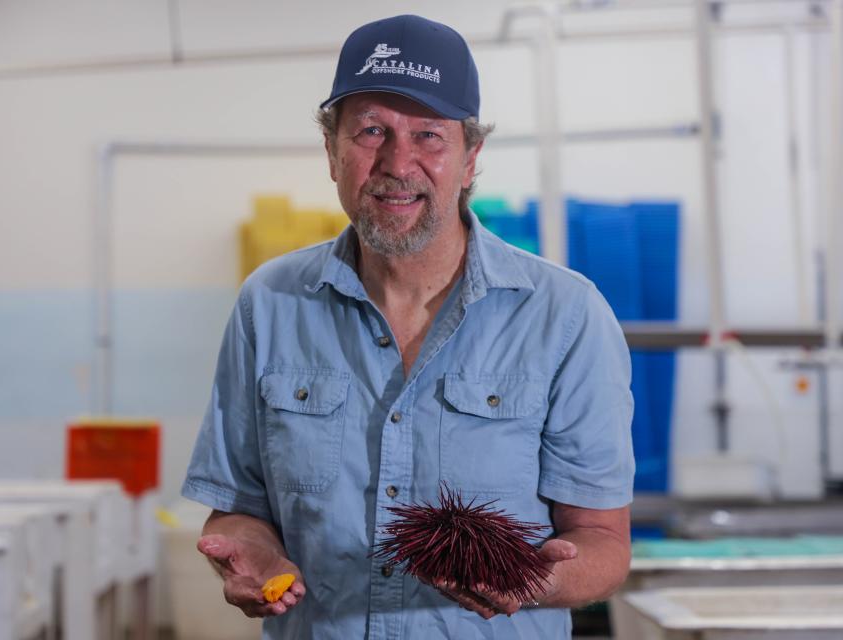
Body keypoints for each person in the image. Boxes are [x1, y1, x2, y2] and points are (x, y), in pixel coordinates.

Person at [182, 14, 634, 639]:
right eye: (371, 130)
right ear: (332, 152)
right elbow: (237, 509)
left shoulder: (565, 314)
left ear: (471, 158)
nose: (399, 162)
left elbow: (604, 542)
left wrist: (539, 581)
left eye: (429, 135)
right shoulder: (271, 302)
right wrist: (247, 552)